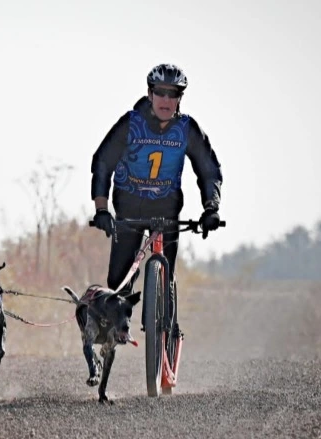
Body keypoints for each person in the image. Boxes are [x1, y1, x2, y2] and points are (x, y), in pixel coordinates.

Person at [89, 63, 222, 326]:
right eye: (160, 92)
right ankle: (120, 320)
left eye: (173, 94)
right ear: (150, 94)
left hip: (166, 205)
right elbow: (103, 162)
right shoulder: (131, 123)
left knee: (166, 272)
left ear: (179, 99)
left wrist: (211, 208)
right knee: (118, 279)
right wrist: (102, 209)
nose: (166, 99)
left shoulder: (187, 128)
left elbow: (209, 170)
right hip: (129, 203)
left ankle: (165, 327)